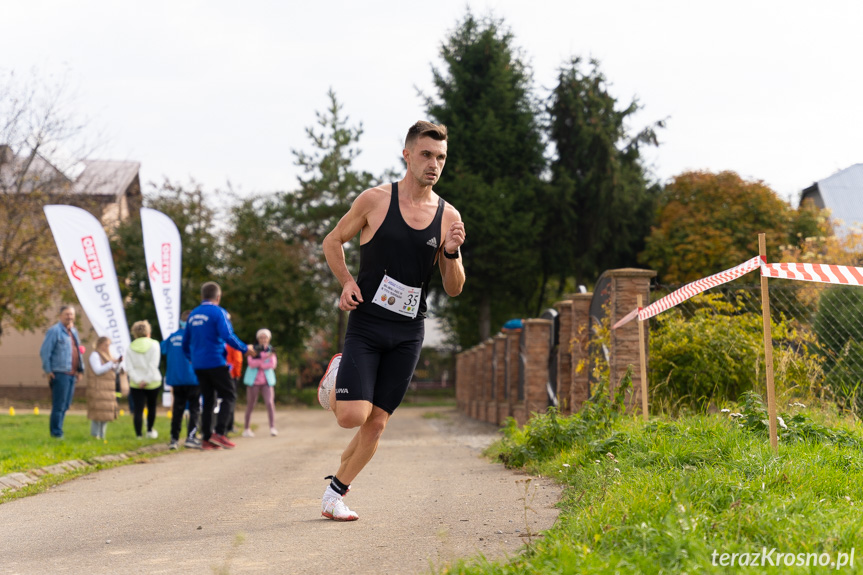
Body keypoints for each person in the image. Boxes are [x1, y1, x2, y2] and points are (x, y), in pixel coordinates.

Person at [318, 120, 466, 521]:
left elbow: (454, 288)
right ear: (407, 155)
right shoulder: (376, 200)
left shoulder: (447, 215)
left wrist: (451, 253)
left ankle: (334, 495)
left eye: (441, 158)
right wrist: (347, 281)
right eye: (426, 155)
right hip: (367, 324)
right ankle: (338, 373)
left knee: (377, 424)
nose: (434, 164)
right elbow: (332, 240)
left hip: (408, 331)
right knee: (352, 416)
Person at [182, 281, 254, 450]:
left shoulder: (192, 315)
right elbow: (227, 335)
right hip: (215, 361)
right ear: (218, 297)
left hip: (199, 365)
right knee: (229, 395)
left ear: (202, 296)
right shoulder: (218, 312)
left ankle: (207, 438)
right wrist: (245, 348)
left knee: (208, 400)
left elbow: (185, 343)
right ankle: (220, 433)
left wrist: (190, 358)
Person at [39, 305, 85, 438]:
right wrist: (48, 370)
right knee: (59, 405)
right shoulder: (54, 331)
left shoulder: (74, 332)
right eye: (66, 314)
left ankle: (59, 429)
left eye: (71, 314)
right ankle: (56, 433)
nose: (69, 317)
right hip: (60, 373)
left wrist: (80, 370)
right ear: (60, 316)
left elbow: (78, 352)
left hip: (72, 374)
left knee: (66, 404)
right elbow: (45, 351)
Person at [161, 310, 202, 450]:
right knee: (194, 409)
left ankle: (174, 439)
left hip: (176, 379)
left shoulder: (172, 337)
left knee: (177, 410)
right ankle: (191, 437)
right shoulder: (195, 337)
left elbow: (162, 349)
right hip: (193, 379)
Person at [126, 320, 162, 439]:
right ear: (148, 331)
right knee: (151, 407)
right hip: (153, 382)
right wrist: (146, 380)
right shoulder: (155, 344)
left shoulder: (130, 347)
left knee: (138, 409)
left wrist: (138, 380)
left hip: (136, 384)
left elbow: (129, 368)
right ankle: (150, 431)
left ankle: (138, 435)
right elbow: (153, 365)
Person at [242, 328, 278, 437]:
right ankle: (246, 428)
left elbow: (272, 365)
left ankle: (272, 427)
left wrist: (260, 362)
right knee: (251, 404)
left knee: (269, 403)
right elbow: (251, 364)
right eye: (261, 337)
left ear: (268, 339)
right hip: (253, 381)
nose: (263, 339)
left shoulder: (271, 350)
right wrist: (265, 358)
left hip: (267, 381)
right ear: (258, 339)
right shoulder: (253, 349)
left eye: (265, 337)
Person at [85, 336, 121, 440]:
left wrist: (117, 363)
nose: (107, 347)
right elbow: (98, 370)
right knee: (97, 414)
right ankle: (95, 435)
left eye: (108, 345)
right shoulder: (95, 355)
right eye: (106, 345)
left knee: (105, 414)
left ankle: (102, 435)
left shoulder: (108, 355)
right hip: (97, 388)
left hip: (107, 389)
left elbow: (115, 370)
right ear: (99, 344)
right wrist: (111, 363)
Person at [224, 320, 243, 435]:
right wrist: (236, 374)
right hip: (231, 375)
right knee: (230, 400)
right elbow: (238, 360)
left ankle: (227, 425)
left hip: (221, 372)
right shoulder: (231, 340)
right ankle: (228, 426)